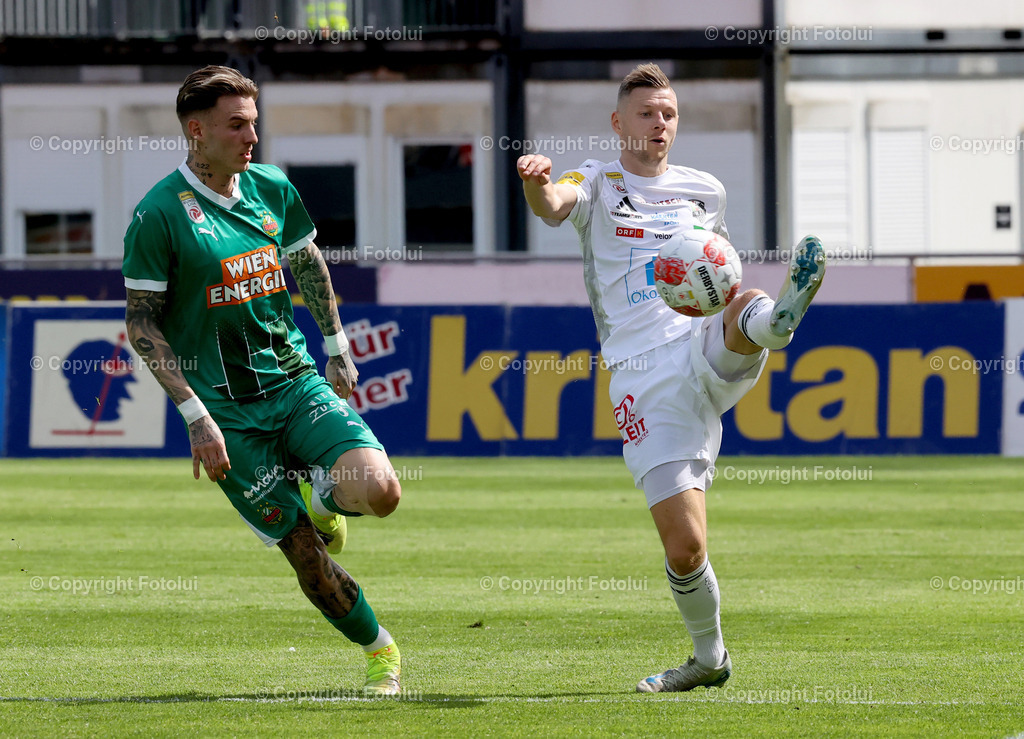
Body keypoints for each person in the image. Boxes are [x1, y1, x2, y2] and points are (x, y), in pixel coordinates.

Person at [518, 63, 825, 693]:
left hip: (701, 338)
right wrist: (537, 181)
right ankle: (710, 660)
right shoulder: (596, 180)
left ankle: (779, 321)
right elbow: (552, 207)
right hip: (642, 373)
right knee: (685, 548)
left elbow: (720, 268)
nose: (660, 124)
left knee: (747, 303)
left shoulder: (704, 190)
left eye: (669, 113)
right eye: (647, 113)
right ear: (618, 123)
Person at [122, 65, 402, 695]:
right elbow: (142, 327)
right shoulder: (158, 215)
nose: (253, 136)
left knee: (383, 492)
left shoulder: (272, 187)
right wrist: (197, 418)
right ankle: (381, 651)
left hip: (294, 380)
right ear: (197, 132)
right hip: (226, 413)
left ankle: (326, 495)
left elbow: (307, 264)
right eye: (237, 124)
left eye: (255, 122)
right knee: (305, 553)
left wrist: (337, 346)